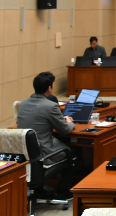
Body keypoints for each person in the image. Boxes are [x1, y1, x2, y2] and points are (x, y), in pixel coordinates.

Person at [17, 72, 76, 200]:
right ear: (49, 88)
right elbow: (64, 130)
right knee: (72, 153)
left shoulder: (22, 104)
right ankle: (62, 192)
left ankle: (38, 189)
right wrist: (70, 123)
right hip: (43, 154)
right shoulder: (50, 106)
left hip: (24, 154)